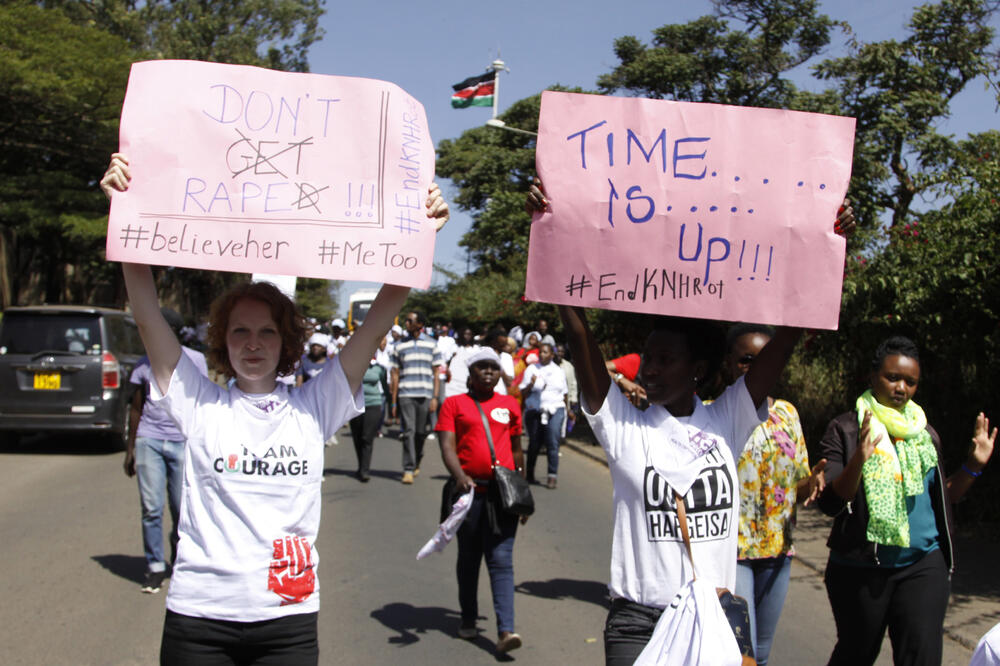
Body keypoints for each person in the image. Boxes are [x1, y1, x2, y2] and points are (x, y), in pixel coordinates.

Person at [101, 152, 449, 665]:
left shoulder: (316, 405)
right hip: (198, 620)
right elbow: (148, 314)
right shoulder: (200, 402)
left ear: (287, 342)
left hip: (288, 621)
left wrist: (423, 234)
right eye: (240, 330)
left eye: (267, 331)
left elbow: (376, 321)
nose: (254, 343)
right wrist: (125, 215)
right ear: (222, 340)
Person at [527, 178, 855, 664]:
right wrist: (549, 230)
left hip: (714, 619)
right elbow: (578, 333)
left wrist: (829, 244)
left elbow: (788, 335)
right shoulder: (623, 427)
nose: (649, 369)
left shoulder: (728, 419)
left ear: (698, 369)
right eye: (647, 358)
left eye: (663, 359)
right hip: (638, 622)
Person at [816, 335, 996, 666]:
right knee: (856, 653)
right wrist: (860, 458)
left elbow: (946, 496)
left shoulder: (924, 433)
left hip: (923, 565)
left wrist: (974, 465)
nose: (902, 388)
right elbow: (831, 504)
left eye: (910, 382)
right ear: (872, 377)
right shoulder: (845, 429)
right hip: (861, 568)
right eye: (893, 377)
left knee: (922, 657)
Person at [722, 323, 826, 666]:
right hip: (731, 552)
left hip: (778, 551)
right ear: (729, 362)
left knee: (763, 653)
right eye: (745, 359)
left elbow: (795, 485)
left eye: (765, 359)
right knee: (741, 652)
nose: (754, 367)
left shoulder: (787, 414)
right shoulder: (713, 412)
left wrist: (813, 483)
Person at [435, 347, 526, 655]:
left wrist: (522, 493)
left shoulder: (510, 404)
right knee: (469, 559)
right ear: (470, 374)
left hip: (502, 498)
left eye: (494, 367)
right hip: (468, 497)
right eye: (482, 367)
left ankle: (506, 630)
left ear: (500, 373)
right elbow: (447, 445)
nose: (489, 371)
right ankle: (468, 618)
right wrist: (459, 475)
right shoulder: (454, 404)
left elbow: (516, 451)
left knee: (501, 561)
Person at [125, 308, 209, 594]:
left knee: (181, 507)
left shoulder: (195, 361)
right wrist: (130, 448)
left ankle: (181, 560)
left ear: (173, 332)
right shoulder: (143, 364)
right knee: (151, 507)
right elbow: (136, 407)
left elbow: (203, 403)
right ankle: (155, 566)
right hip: (149, 440)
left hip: (182, 441)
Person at [390, 310, 443, 484]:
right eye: (406, 320)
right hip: (406, 393)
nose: (406, 323)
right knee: (409, 431)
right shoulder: (399, 345)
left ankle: (417, 459)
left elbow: (436, 373)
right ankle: (408, 468)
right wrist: (393, 401)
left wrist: (435, 397)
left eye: (410, 320)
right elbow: (395, 374)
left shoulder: (432, 344)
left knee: (421, 433)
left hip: (425, 393)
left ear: (420, 324)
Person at [519, 342, 570, 489]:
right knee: (534, 442)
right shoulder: (531, 369)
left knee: (552, 441)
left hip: (556, 409)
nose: (542, 355)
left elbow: (564, 393)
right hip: (535, 410)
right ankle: (529, 474)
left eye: (545, 352)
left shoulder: (558, 371)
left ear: (552, 355)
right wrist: (531, 384)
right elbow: (523, 392)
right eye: (540, 352)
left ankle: (552, 475)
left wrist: (568, 411)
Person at [349, 356, 388, 482]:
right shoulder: (354, 367)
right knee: (357, 436)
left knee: (367, 437)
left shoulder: (379, 369)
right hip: (355, 405)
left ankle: (365, 470)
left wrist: (391, 404)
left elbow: (384, 386)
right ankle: (361, 465)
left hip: (373, 404)